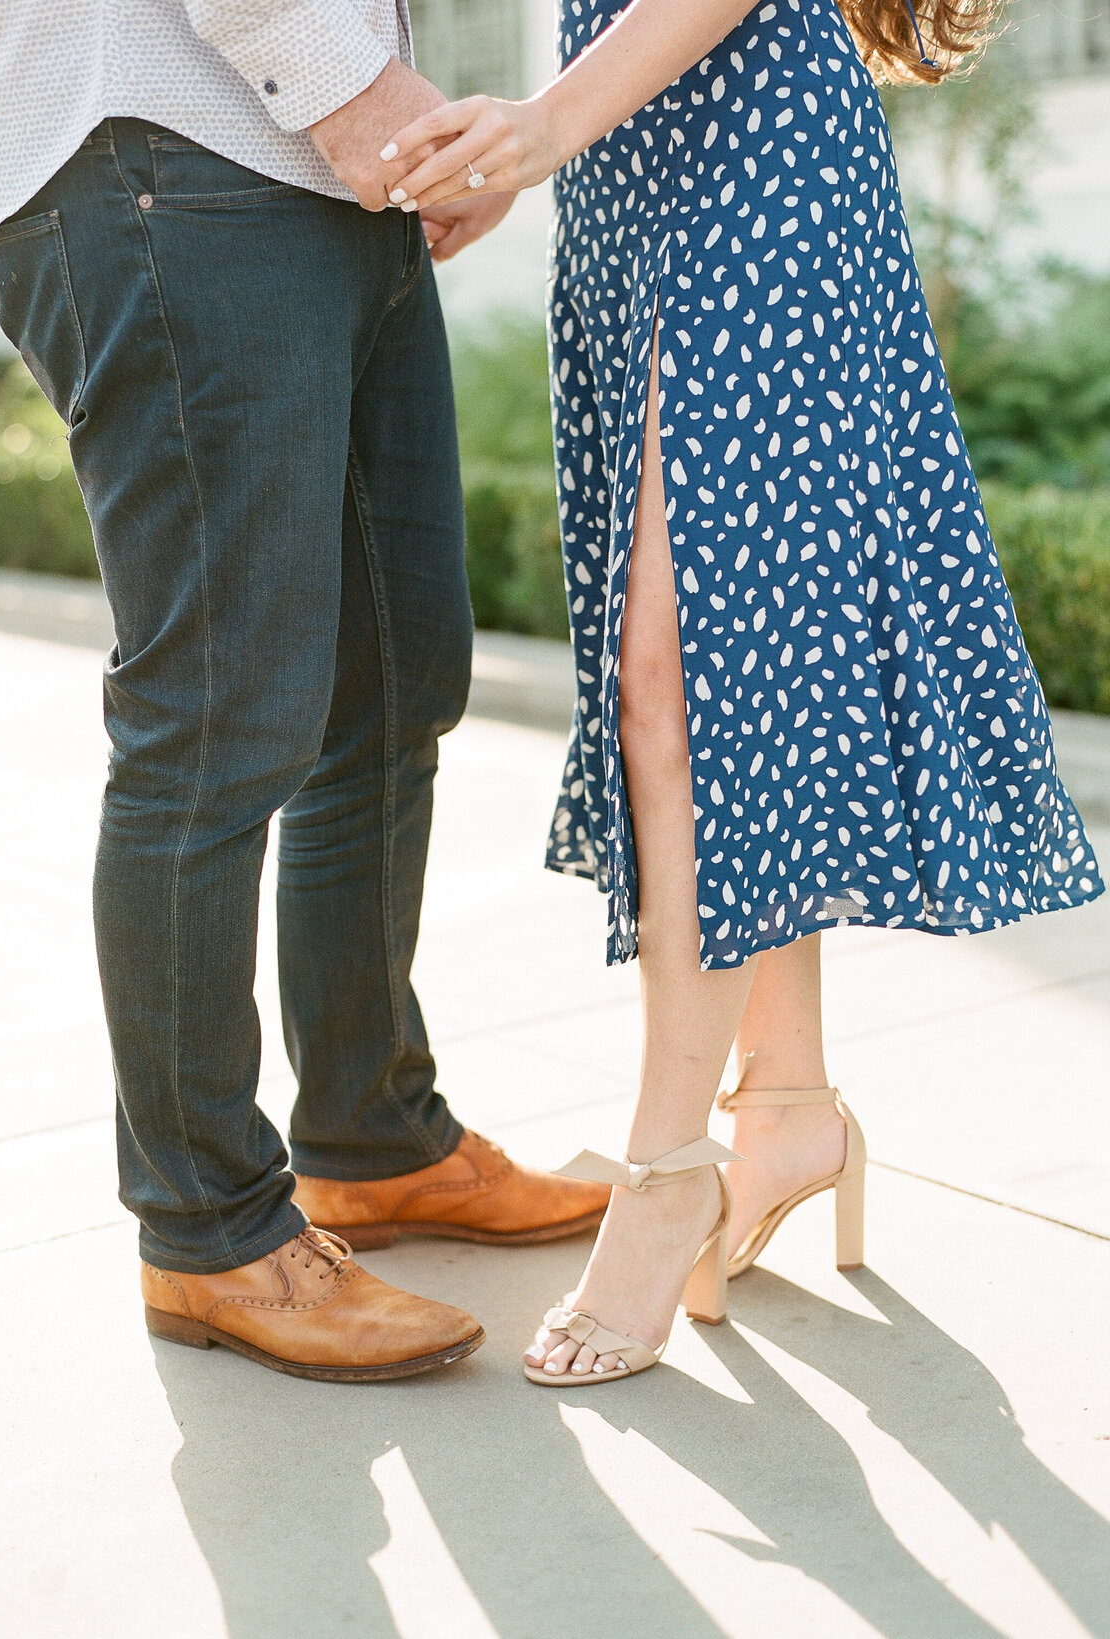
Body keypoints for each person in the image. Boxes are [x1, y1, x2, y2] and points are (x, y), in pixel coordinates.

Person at [379, 0, 1105, 1384]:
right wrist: (530, 140)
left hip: (753, 148)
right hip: (630, 159)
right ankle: (785, 1108)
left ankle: (668, 1173)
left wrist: (542, 125)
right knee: (733, 672)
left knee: (685, 674)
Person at [0, 0, 610, 1383]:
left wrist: (389, 122)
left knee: (394, 681)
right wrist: (357, 91)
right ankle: (208, 1233)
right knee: (217, 717)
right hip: (164, 153)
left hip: (310, 175)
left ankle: (372, 1140)